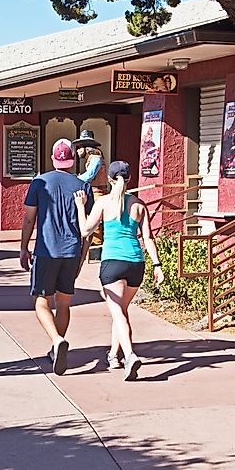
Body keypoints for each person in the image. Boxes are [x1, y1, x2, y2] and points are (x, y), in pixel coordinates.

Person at [74, 160, 164, 381]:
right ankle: (114, 355)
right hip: (136, 263)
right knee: (120, 312)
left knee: (119, 314)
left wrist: (79, 207)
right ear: (130, 179)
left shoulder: (103, 203)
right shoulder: (139, 205)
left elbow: (86, 229)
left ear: (110, 180)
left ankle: (130, 355)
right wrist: (157, 265)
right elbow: (149, 238)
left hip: (112, 263)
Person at [21, 138, 93, 376]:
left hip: (46, 251)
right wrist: (83, 256)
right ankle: (55, 347)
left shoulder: (40, 182)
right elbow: (88, 228)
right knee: (64, 303)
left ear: (53, 158)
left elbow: (29, 218)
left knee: (41, 301)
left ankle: (56, 339)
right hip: (71, 251)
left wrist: (23, 247)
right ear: (73, 160)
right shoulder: (83, 187)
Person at [72, 130, 107, 256]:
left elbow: (90, 174)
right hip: (93, 191)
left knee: (95, 222)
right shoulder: (92, 158)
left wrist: (75, 179)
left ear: (85, 147)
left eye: (79, 148)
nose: (77, 151)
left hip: (98, 193)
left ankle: (96, 250)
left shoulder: (96, 158)